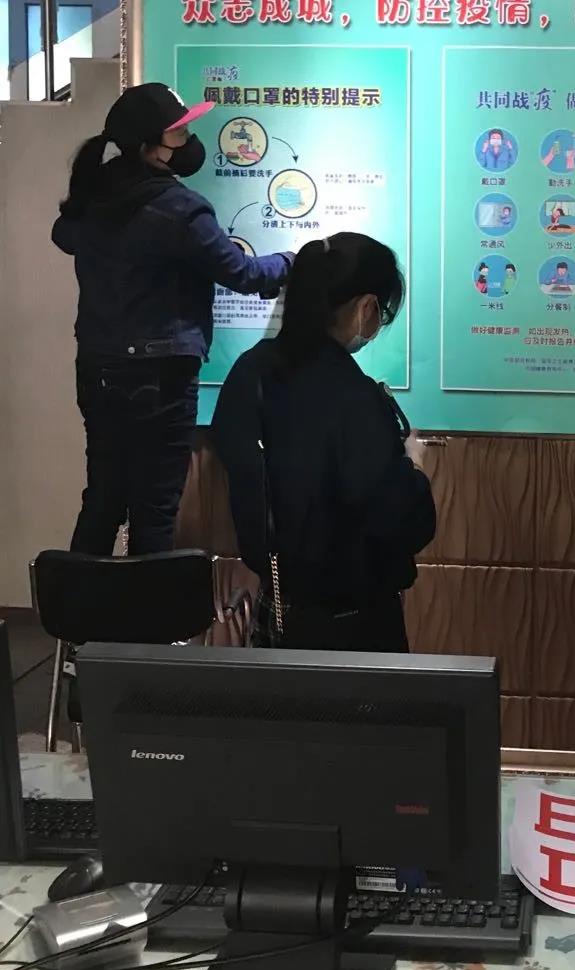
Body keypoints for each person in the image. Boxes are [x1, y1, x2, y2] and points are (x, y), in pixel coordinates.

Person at [52, 83, 293, 557]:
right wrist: (291, 260)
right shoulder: (179, 210)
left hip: (98, 371)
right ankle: (145, 609)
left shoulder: (97, 198)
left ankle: (75, 605)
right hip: (160, 378)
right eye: (178, 133)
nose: (189, 141)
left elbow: (64, 235)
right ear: (150, 147)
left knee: (102, 500)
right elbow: (242, 273)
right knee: (155, 511)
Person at [212, 233, 435, 652]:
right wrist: (413, 466)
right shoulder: (354, 396)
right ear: (366, 308)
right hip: (355, 625)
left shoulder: (249, 372)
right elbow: (401, 522)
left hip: (276, 606)